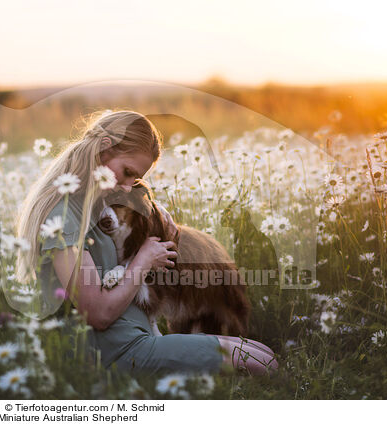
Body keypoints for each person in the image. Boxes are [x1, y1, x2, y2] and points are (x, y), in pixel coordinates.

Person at [15, 109, 278, 376]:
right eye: (127, 172)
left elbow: (135, 199)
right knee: (265, 365)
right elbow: (98, 314)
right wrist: (144, 259)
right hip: (113, 352)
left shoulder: (95, 201)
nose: (128, 187)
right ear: (103, 148)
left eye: (136, 178)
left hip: (137, 339)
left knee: (262, 352)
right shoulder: (64, 217)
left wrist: (155, 209)